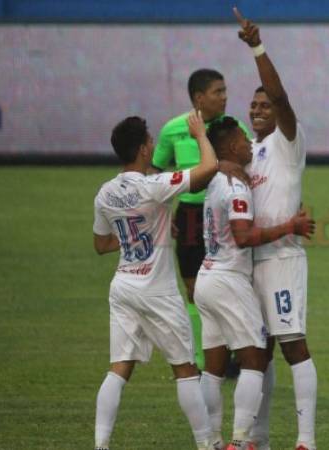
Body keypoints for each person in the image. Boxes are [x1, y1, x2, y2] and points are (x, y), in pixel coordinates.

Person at [92, 111, 219, 450]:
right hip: (156, 291)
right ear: (143, 150)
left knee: (119, 368)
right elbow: (208, 169)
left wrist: (142, 233)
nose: (152, 144)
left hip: (123, 286)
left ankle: (101, 444)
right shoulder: (153, 186)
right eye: (149, 141)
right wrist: (199, 135)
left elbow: (102, 244)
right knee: (186, 369)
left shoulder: (104, 193)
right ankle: (207, 444)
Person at [194, 117, 315, 450]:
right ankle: (240, 440)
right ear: (233, 146)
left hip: (206, 277)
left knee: (214, 367)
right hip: (230, 280)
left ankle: (211, 441)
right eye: (244, 140)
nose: (250, 144)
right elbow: (244, 236)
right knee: (254, 360)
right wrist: (289, 225)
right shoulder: (236, 187)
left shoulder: (216, 180)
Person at [233, 8, 318, 450]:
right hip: (252, 262)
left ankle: (305, 441)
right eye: (254, 105)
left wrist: (257, 49)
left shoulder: (289, 142)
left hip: (283, 260)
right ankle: (257, 440)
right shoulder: (252, 152)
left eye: (264, 105)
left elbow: (282, 99)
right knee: (257, 354)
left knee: (293, 347)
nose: (258, 109)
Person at [152, 69, 250, 372]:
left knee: (232, 285)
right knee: (194, 291)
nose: (225, 97)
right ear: (199, 98)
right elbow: (156, 174)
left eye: (224, 90)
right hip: (191, 216)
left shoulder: (233, 128)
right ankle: (199, 361)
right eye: (218, 91)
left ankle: (235, 352)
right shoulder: (173, 130)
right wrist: (163, 214)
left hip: (226, 213)